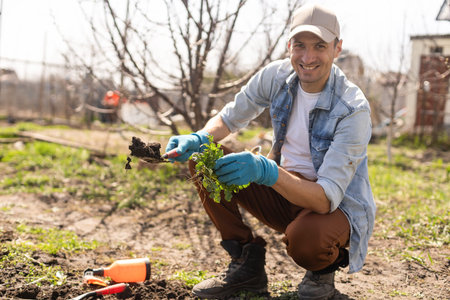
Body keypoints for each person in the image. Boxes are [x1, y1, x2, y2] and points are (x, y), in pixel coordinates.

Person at [165, 4, 375, 299]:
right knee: (205, 161)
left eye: (320, 46)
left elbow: (326, 197)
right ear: (289, 45)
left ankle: (321, 274)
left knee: (307, 240)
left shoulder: (352, 108)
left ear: (337, 48)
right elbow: (229, 117)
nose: (308, 57)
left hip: (330, 209)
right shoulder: (276, 76)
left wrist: (266, 171)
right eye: (299, 45)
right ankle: (246, 263)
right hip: (282, 192)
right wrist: (199, 137)